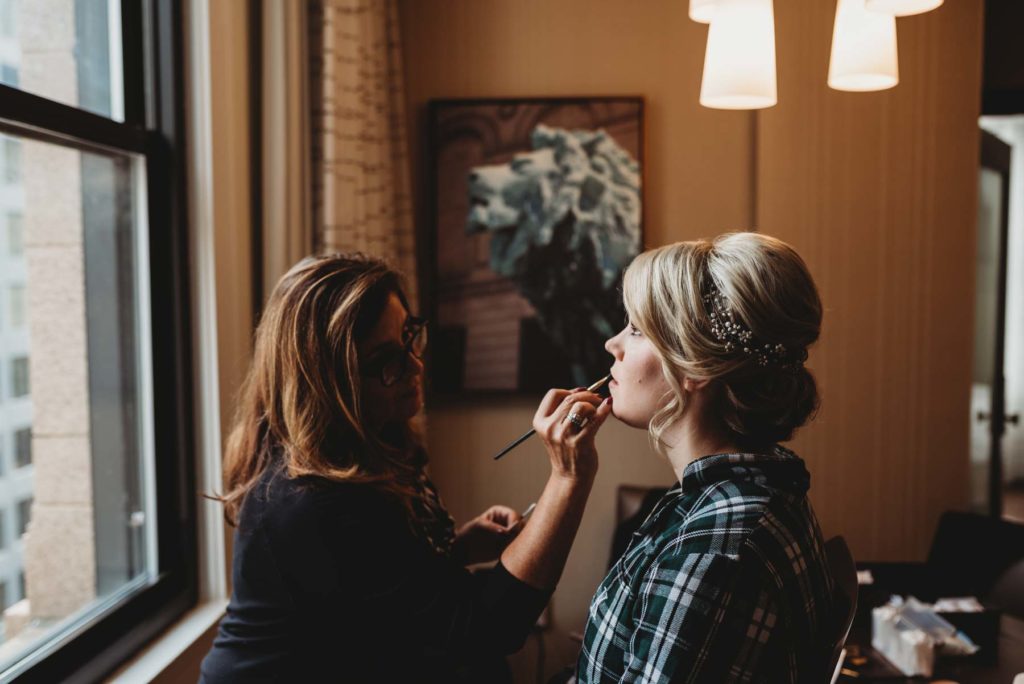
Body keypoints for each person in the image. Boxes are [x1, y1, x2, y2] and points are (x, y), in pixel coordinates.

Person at [199, 254, 612, 682]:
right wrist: (568, 478)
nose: (415, 366)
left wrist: (458, 550)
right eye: (385, 361)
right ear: (330, 382)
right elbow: (485, 628)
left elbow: (372, 586)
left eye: (408, 336)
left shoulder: (375, 439)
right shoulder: (312, 499)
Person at [575, 233, 836, 683]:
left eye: (636, 330)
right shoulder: (732, 496)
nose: (612, 345)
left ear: (693, 365)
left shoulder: (717, 552)